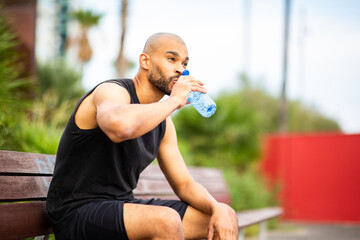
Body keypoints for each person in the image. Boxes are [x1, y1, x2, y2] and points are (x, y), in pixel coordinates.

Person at [46, 32, 238, 240]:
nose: (179, 69)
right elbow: (119, 128)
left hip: (121, 207)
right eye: (171, 59)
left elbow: (184, 184)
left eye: (184, 63)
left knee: (223, 216)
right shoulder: (112, 90)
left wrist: (215, 207)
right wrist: (173, 102)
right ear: (145, 61)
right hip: (76, 212)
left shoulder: (163, 121)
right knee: (166, 220)